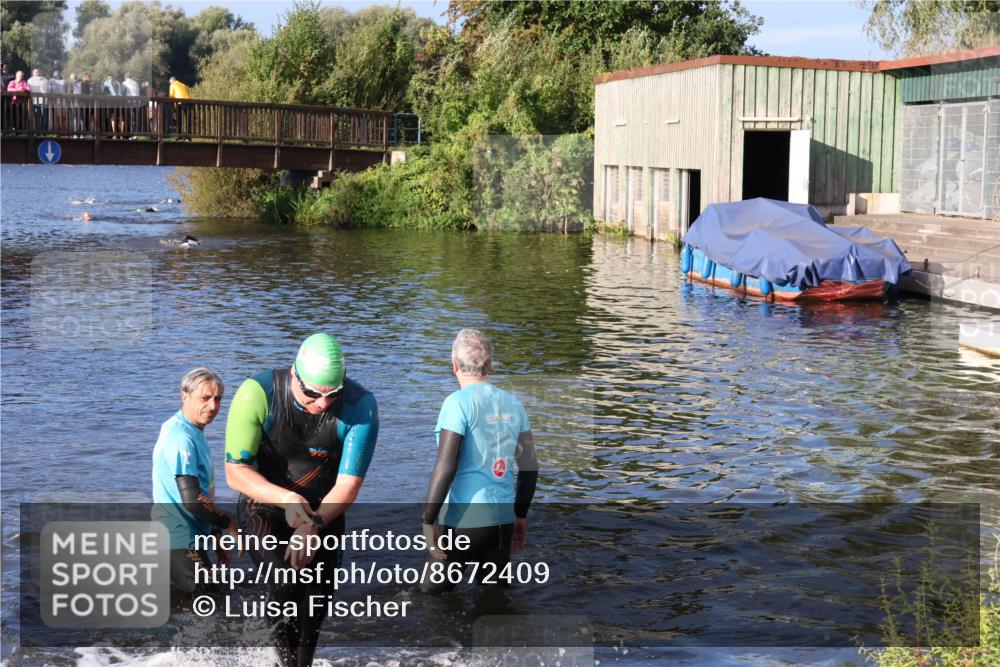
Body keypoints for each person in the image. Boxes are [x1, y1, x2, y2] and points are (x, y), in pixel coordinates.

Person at [225, 333, 378, 667]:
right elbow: (235, 472)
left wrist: (314, 523)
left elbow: (348, 485)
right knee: (284, 579)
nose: (322, 403)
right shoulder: (257, 393)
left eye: (332, 394)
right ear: (295, 375)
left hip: (326, 510)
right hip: (265, 503)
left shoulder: (360, 406)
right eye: (312, 393)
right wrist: (287, 498)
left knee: (315, 604)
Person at [421, 329, 538, 593]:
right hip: (502, 523)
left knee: (432, 599)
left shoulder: (456, 404)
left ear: (454, 364)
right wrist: (520, 515)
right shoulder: (514, 404)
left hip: (462, 522)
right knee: (493, 600)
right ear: (490, 364)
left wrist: (427, 520)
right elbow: (529, 468)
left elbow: (446, 466)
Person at [152, 368, 235, 600]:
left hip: (185, 537)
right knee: (211, 606)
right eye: (205, 398)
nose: (213, 406)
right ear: (185, 396)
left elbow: (202, 493)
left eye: (217, 399)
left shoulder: (193, 431)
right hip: (178, 538)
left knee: (192, 607)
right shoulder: (181, 438)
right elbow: (192, 500)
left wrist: (215, 533)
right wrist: (229, 522)